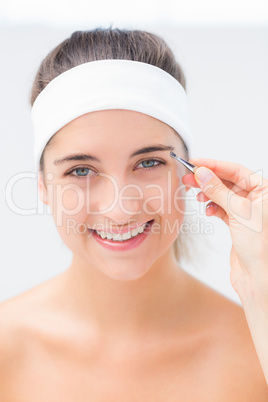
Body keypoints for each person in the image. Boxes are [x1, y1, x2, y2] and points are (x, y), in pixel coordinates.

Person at [0, 27, 268, 400]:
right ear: (43, 186)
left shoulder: (258, 347)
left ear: (188, 174)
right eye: (81, 170)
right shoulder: (5, 352)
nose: (119, 208)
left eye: (148, 162)